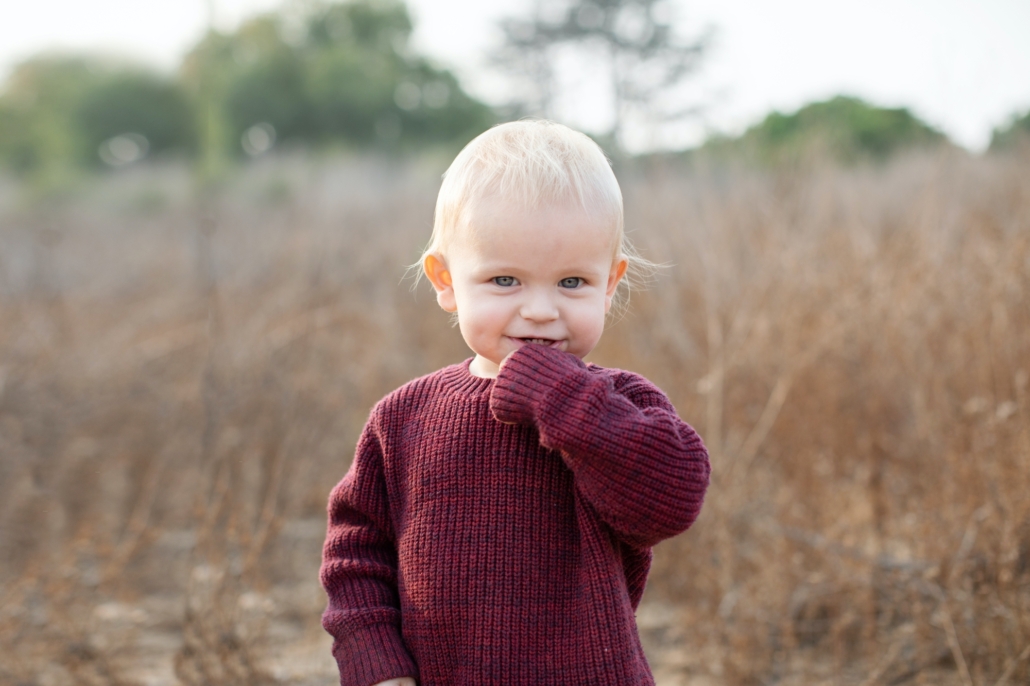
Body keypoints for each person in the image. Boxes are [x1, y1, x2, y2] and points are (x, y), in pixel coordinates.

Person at [320, 120, 710, 686]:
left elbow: (670, 502)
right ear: (447, 280)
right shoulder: (404, 417)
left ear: (611, 285)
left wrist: (563, 396)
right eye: (505, 280)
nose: (540, 311)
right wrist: (376, 666)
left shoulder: (618, 402)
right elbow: (356, 556)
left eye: (572, 282)